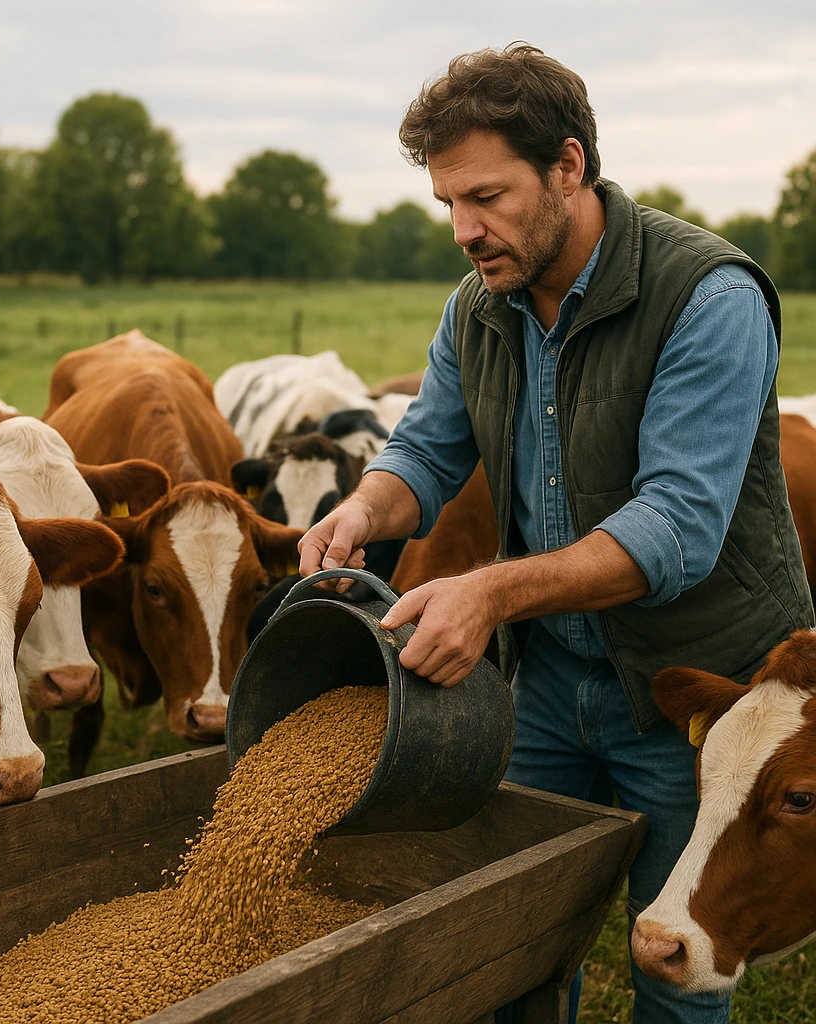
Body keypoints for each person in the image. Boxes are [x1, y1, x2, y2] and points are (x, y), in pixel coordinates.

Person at [298, 43, 813, 1024]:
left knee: (676, 964)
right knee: (513, 945)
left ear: (568, 166)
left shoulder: (708, 296)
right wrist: (363, 510)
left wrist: (488, 591)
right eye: (447, 202)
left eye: (484, 195)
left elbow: (674, 530)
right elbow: (427, 452)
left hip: (695, 692)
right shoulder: (475, 308)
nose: (463, 228)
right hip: (547, 684)